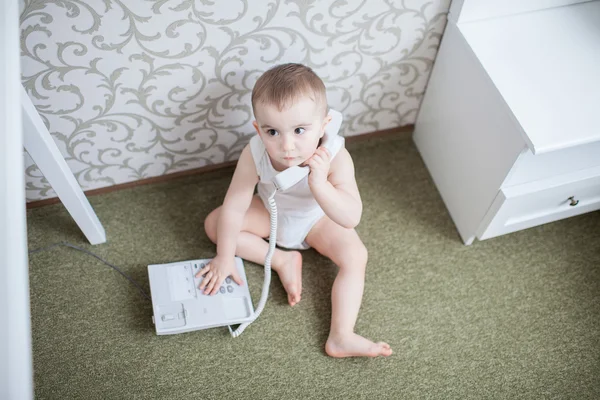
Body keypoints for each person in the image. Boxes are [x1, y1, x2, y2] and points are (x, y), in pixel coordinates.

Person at [197, 63, 392, 358]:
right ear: (257, 129)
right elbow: (235, 206)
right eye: (272, 131)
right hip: (269, 211)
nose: (286, 146)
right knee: (216, 223)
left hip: (318, 220)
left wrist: (319, 183)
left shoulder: (337, 157)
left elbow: (351, 217)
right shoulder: (254, 154)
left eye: (300, 130)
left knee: (356, 256)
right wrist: (225, 257)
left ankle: (341, 335)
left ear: (325, 126)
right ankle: (281, 260)